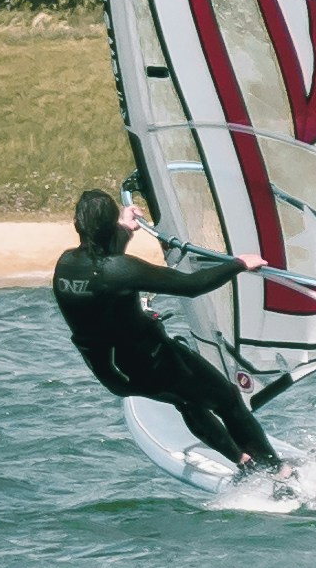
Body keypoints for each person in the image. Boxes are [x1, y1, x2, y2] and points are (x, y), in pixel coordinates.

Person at [52, 182, 285, 471]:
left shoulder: (65, 265)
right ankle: (278, 470)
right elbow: (191, 286)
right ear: (108, 226)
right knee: (227, 401)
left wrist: (124, 228)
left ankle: (243, 461)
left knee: (187, 402)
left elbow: (105, 267)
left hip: (114, 374)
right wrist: (238, 264)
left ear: (78, 224)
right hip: (153, 362)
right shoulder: (118, 270)